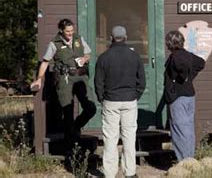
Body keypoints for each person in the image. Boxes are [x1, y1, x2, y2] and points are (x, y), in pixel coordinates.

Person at [30, 18, 96, 153]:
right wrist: (39, 79)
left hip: (81, 77)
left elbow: (88, 54)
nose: (70, 33)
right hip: (65, 78)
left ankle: (77, 126)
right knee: (67, 110)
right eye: (68, 31)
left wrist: (84, 59)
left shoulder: (79, 39)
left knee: (91, 107)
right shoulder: (55, 43)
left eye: (72, 30)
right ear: (61, 30)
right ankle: (70, 144)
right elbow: (45, 62)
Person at [95, 26, 145, 178]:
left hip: (111, 100)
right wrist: (136, 95)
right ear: (126, 37)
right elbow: (142, 81)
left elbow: (98, 82)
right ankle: (130, 172)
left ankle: (109, 173)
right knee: (129, 137)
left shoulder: (104, 57)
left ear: (111, 37)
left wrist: (102, 98)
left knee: (110, 138)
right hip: (129, 100)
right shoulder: (134, 56)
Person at [164, 30, 205, 161]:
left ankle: (185, 161)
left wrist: (183, 77)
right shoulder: (188, 55)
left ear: (170, 43)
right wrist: (190, 77)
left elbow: (183, 67)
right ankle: (190, 158)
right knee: (187, 127)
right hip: (189, 95)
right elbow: (201, 63)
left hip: (178, 97)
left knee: (179, 129)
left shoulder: (176, 56)